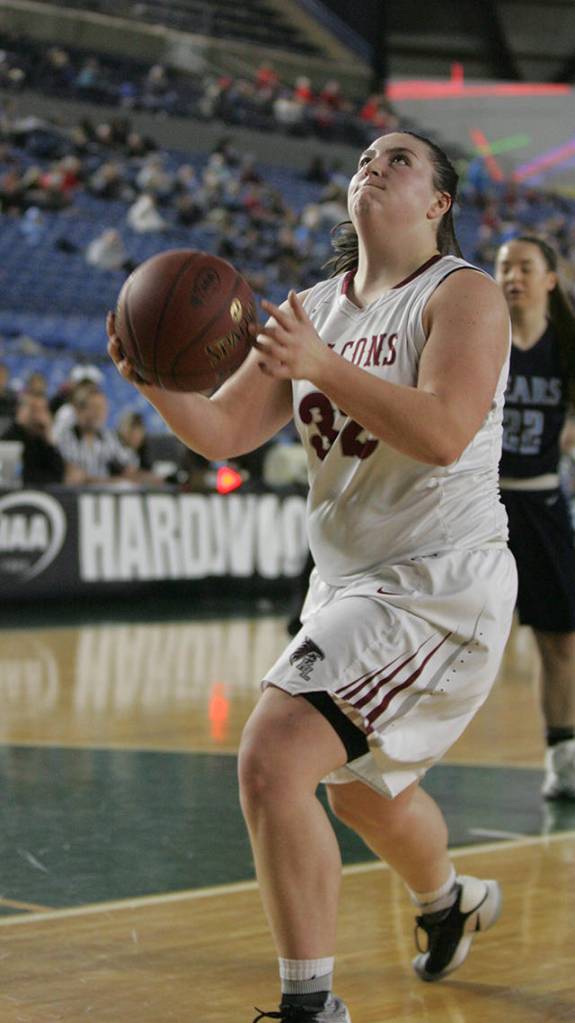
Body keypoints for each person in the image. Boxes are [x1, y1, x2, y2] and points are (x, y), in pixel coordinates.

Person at [107, 131, 517, 1023]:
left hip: (435, 584)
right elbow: (220, 433)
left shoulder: (465, 294)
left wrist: (321, 368)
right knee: (367, 794)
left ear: (438, 203)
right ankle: (448, 900)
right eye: (367, 156)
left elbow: (445, 431)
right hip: (347, 585)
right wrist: (149, 374)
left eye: (400, 159)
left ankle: (310, 1009)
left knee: (274, 754)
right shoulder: (310, 310)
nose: (375, 163)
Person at [495, 235, 575, 800]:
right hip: (479, 502)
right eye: (503, 267)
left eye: (525, 266)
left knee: (561, 639)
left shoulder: (568, 343)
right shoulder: (481, 337)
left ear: (550, 278)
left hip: (543, 499)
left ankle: (564, 757)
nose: (512, 276)